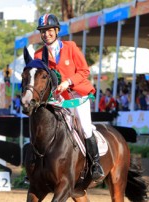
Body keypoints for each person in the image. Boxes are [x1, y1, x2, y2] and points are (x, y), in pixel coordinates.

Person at [33, 13, 104, 181]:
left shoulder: (70, 47)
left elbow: (84, 71)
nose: (46, 34)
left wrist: (68, 82)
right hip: (56, 99)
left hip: (77, 95)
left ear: (57, 30)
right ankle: (36, 168)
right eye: (43, 31)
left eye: (49, 30)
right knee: (42, 128)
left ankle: (95, 165)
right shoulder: (38, 55)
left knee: (85, 128)